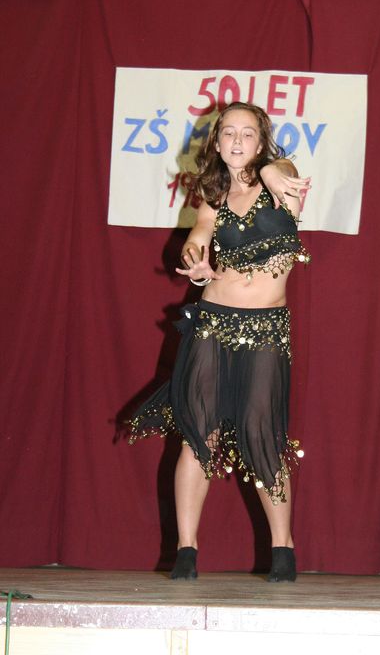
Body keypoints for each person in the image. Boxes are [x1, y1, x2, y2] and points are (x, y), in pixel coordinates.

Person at [129, 101, 310, 582]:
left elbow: (281, 171)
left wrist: (267, 169)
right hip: (212, 324)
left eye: (247, 133)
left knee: (262, 434)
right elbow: (200, 234)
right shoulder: (214, 195)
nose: (236, 141)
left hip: (266, 328)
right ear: (216, 141)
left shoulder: (282, 179)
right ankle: (186, 550)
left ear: (261, 140)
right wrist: (195, 259)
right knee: (199, 435)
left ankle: (283, 549)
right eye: (228, 132)